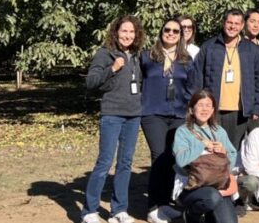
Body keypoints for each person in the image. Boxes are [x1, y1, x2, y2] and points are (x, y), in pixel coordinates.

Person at [82, 15, 145, 223]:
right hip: (112, 114)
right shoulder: (105, 54)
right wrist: (113, 69)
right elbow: (91, 82)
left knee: (125, 164)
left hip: (133, 115)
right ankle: (90, 210)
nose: (127, 35)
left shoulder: (137, 55)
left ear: (136, 35)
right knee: (105, 162)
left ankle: (119, 210)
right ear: (116, 32)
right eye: (124, 31)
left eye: (131, 32)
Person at [140, 18, 193, 223]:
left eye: (176, 31)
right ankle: (153, 206)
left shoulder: (186, 60)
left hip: (179, 114)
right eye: (167, 30)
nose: (171, 33)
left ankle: (164, 204)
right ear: (161, 32)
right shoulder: (147, 57)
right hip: (152, 113)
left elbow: (191, 87)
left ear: (181, 35)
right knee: (158, 155)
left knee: (172, 157)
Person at [190, 9, 259, 149]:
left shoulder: (251, 50)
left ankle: (229, 171)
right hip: (213, 109)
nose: (232, 26)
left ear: (242, 26)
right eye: (229, 22)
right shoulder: (209, 47)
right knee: (212, 148)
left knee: (232, 149)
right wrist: (196, 105)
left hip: (239, 111)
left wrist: (257, 107)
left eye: (237, 23)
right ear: (223, 23)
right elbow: (197, 77)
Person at [173, 89, 239, 223]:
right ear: (192, 109)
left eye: (208, 105)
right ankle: (191, 214)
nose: (205, 109)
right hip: (192, 186)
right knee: (212, 197)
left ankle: (210, 216)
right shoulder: (183, 132)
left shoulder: (219, 131)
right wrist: (201, 145)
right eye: (200, 105)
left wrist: (224, 153)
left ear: (213, 109)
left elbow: (232, 156)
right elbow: (180, 161)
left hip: (217, 184)